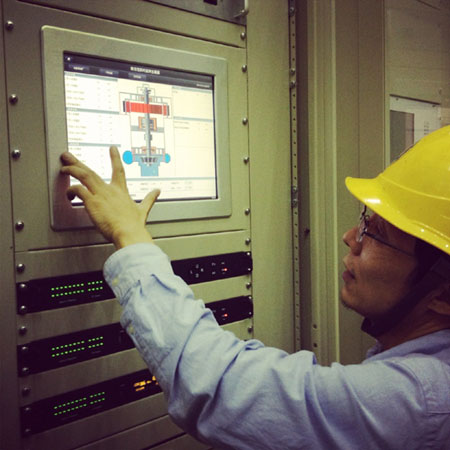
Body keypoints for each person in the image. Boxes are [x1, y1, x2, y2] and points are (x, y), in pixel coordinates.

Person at [60, 125, 450, 449]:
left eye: (377, 233)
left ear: (443, 296)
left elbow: (220, 386)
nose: (352, 237)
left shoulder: (425, 401)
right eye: (364, 219)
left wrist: (131, 237)